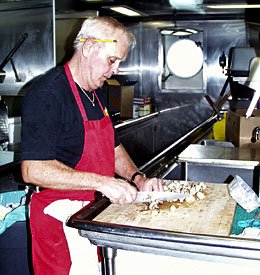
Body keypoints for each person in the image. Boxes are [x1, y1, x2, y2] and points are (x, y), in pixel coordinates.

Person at [21, 16, 163, 274]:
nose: (117, 69)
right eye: (112, 60)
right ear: (88, 47)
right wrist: (102, 182)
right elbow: (33, 170)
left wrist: (138, 178)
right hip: (60, 223)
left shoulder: (96, 92)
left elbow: (112, 147)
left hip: (92, 216)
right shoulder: (48, 93)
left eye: (119, 62)